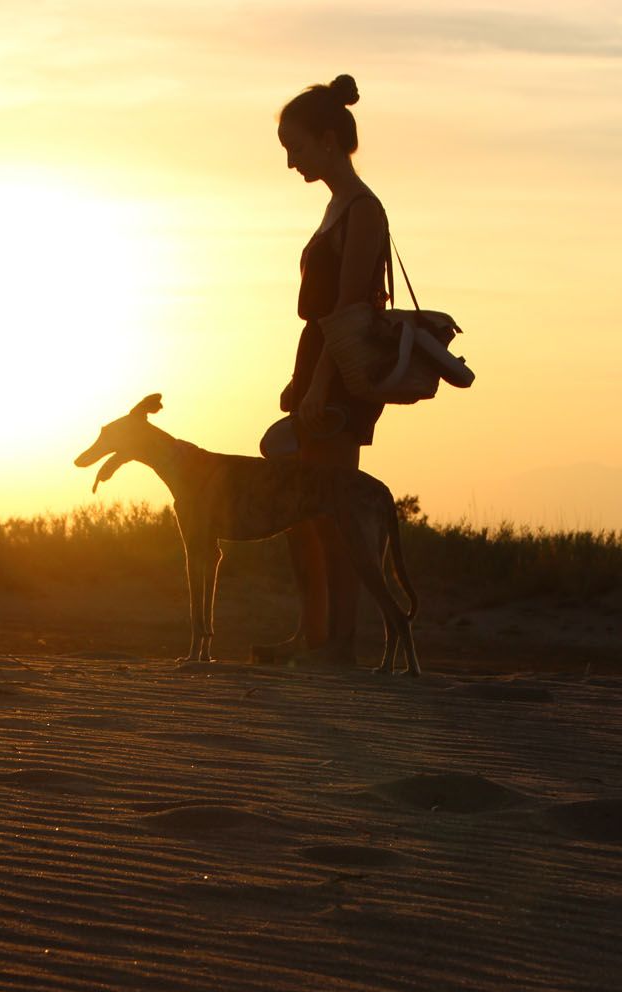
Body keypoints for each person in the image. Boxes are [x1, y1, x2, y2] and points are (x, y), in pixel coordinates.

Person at [254, 74, 391, 667]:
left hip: (336, 381)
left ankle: (338, 644)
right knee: (299, 496)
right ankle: (313, 634)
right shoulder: (338, 208)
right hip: (316, 372)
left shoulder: (363, 209)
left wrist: (320, 385)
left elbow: (350, 312)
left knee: (333, 511)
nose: (291, 162)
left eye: (297, 147)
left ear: (330, 140)